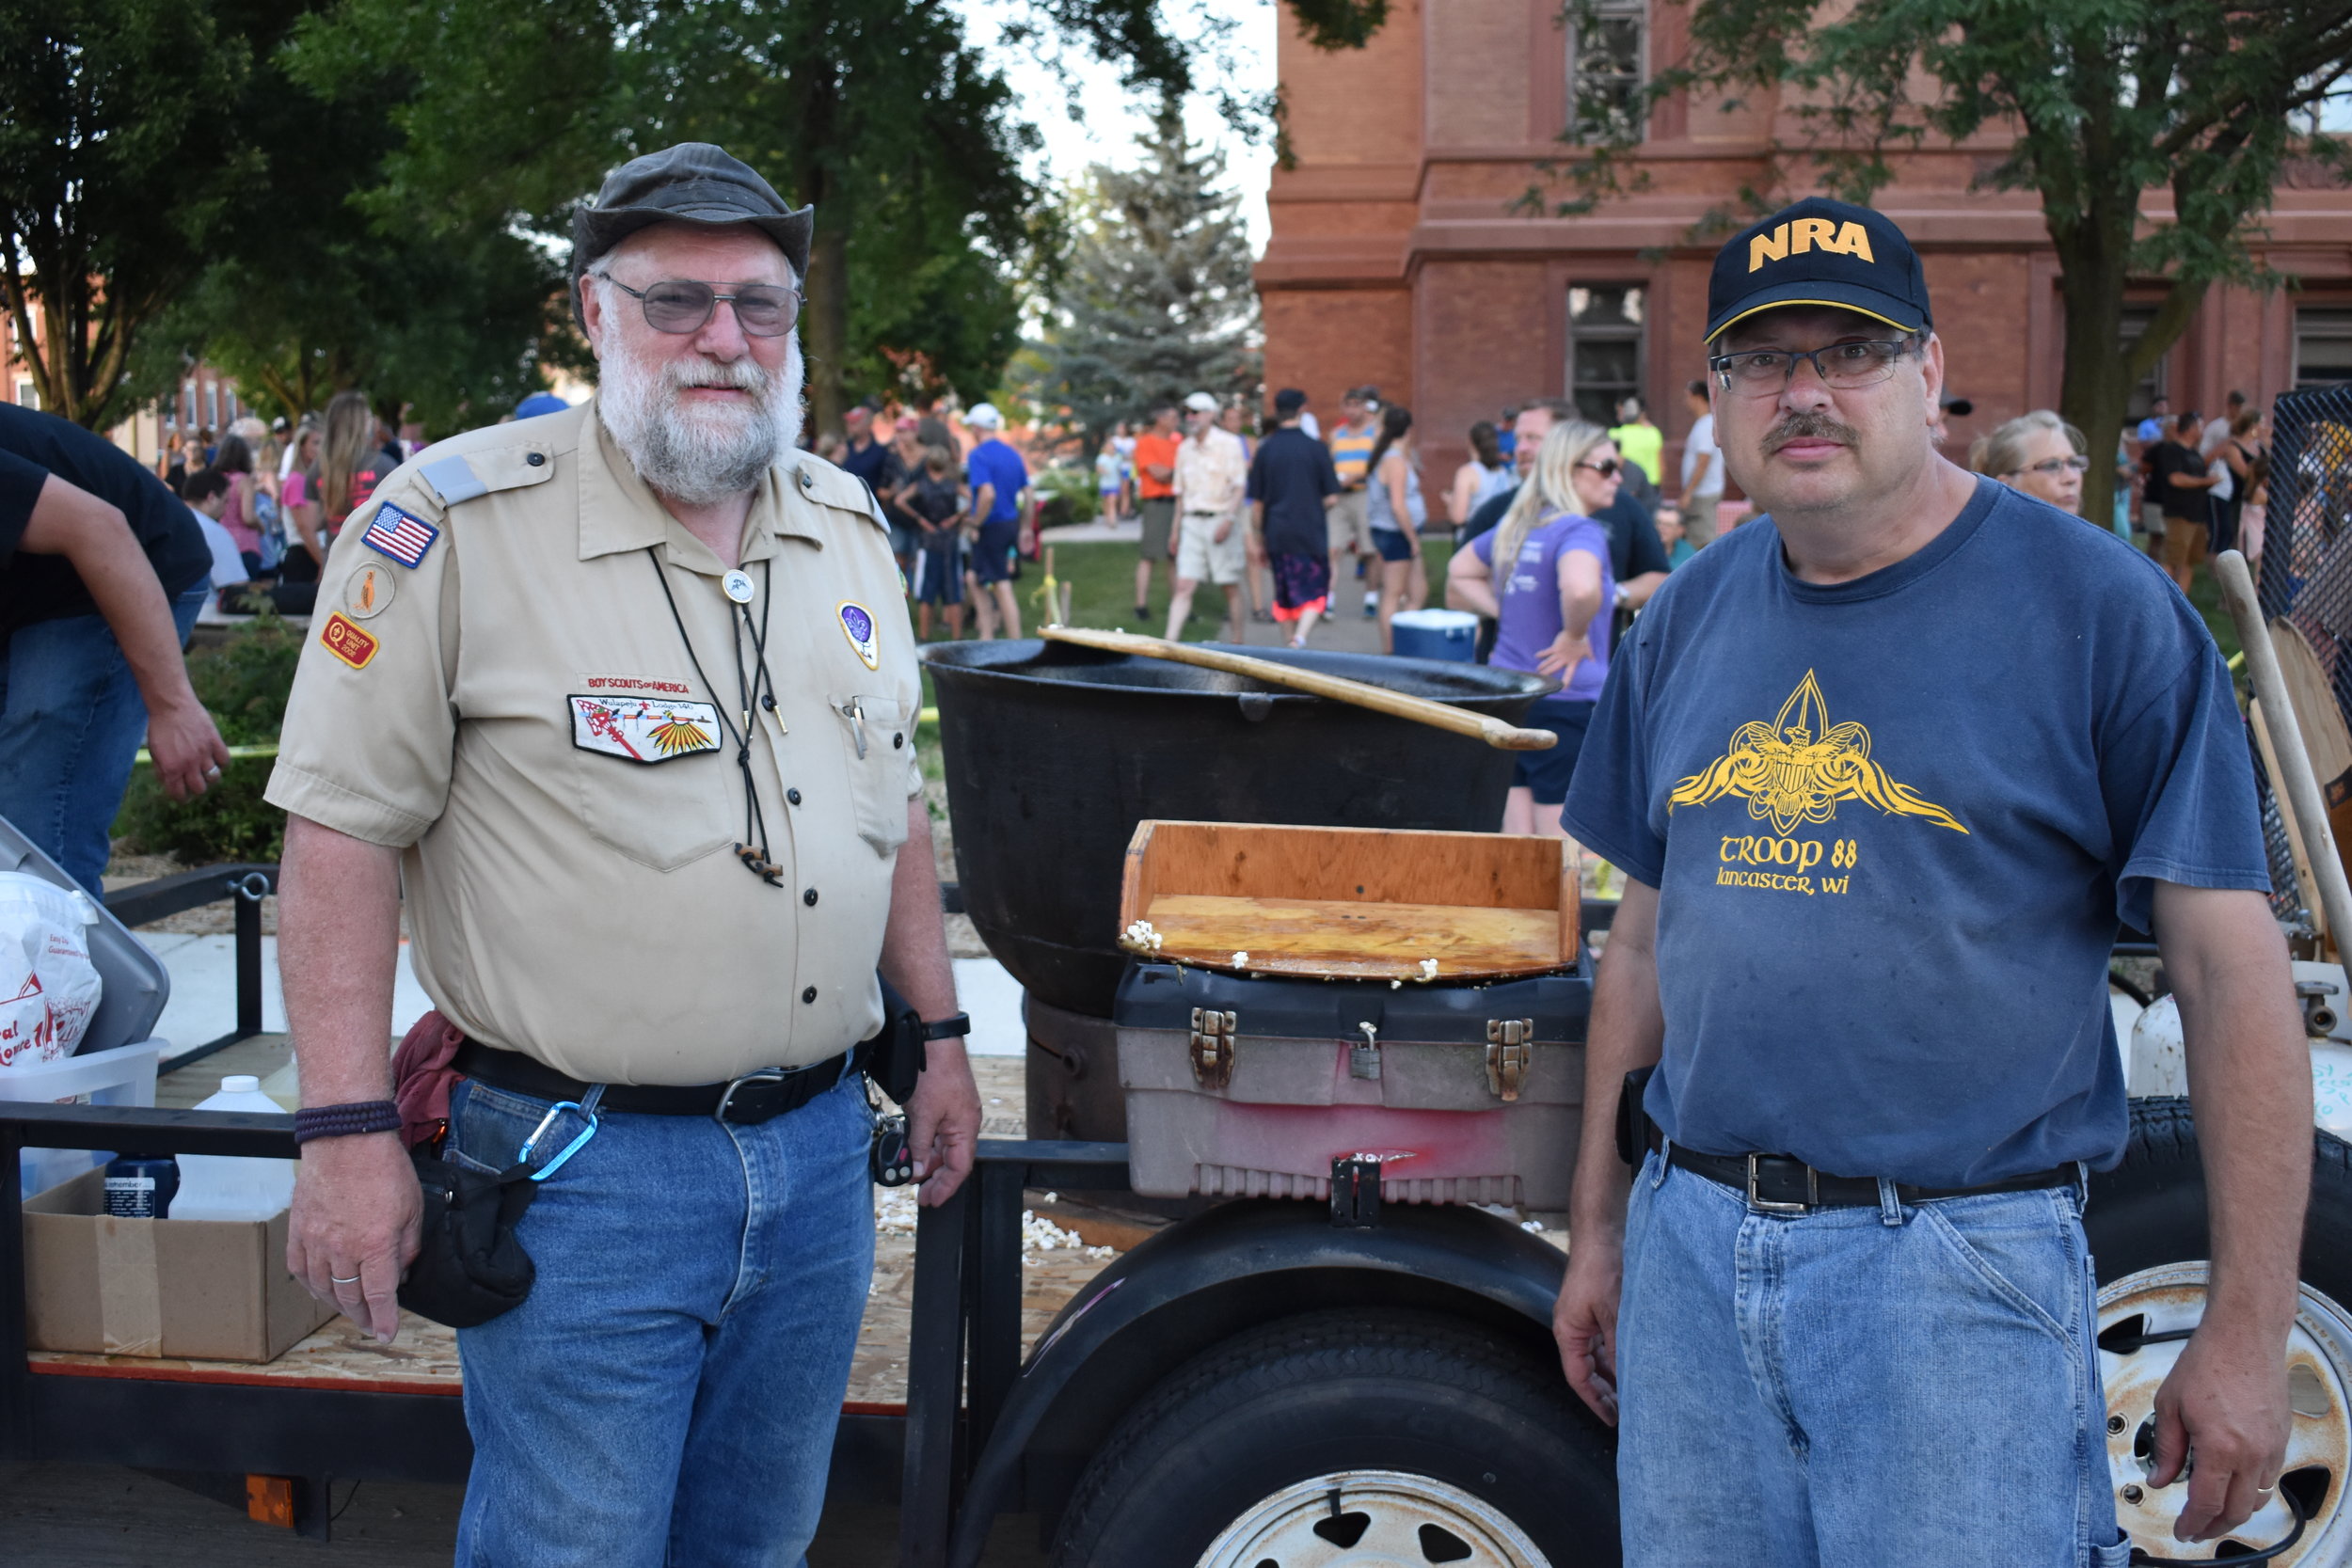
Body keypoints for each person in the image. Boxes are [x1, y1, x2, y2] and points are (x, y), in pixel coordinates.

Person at [1551, 196, 2304, 1566]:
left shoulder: (2100, 611)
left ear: (1930, 369)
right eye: (1762, 360)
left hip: (1954, 1274)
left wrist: (2250, 1325)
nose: (1805, 392)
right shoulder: (1689, 620)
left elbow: (2225, 966)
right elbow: (1645, 949)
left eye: (1852, 349)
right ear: (1716, 396)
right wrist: (1598, 1233)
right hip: (1690, 1252)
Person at [265, 141, 979, 1568]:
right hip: (578, 1167)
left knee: (757, 1542)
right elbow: (339, 829)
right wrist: (344, 1134)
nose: (723, 337)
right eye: (677, 300)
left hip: (823, 1154)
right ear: (591, 313)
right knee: (570, 1547)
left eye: (758, 305)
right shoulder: (450, 526)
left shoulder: (846, 529)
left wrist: (945, 1033)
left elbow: (891, 802)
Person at [0, 404, 230, 895]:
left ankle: (62, 960)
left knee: (33, 838)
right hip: (33, 594)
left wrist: (171, 704)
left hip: (126, 565)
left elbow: (98, 528)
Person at [1446, 420, 1615, 835]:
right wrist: (1574, 635)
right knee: (1563, 849)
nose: (1618, 478)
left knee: (1518, 840)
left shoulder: (1522, 528)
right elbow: (1579, 588)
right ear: (1572, 469)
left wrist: (1507, 608)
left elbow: (1459, 570)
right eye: (1608, 467)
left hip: (1512, 695)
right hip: (1567, 698)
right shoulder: (1580, 530)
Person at [1467, 400, 1669, 614]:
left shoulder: (1619, 506)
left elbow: (1659, 578)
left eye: (1533, 438)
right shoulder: (1499, 511)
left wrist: (1611, 594)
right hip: (1514, 647)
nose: (1520, 448)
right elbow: (1457, 586)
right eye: (1518, 439)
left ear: (1568, 444)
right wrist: (1515, 612)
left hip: (1592, 646)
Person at [1247, 388, 1342, 647]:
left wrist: (1258, 539)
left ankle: (1289, 645)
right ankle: (1300, 637)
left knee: (1284, 591)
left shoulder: (1266, 450)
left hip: (1277, 530)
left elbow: (1258, 504)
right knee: (1315, 587)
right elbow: (1332, 496)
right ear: (1302, 409)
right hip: (1310, 529)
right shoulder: (1317, 448)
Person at [1167, 390, 1250, 643]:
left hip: (1220, 520)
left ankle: (1237, 641)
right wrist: (1175, 530)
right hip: (1192, 522)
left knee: (1229, 584)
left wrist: (1229, 519)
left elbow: (1239, 485)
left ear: (1210, 414)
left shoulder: (1229, 444)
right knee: (1184, 586)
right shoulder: (1184, 448)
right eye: (1187, 412)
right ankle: (1168, 644)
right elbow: (1180, 494)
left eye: (1195, 412)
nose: (1190, 417)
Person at [1363, 404, 1428, 652]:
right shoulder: (1394, 461)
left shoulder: (1398, 456)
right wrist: (1411, 538)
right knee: (1393, 592)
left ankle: (1404, 642)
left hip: (1400, 532)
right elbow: (1398, 505)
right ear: (1409, 429)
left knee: (1418, 591)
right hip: (1396, 532)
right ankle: (1391, 651)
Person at [962, 402, 1027, 641]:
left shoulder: (978, 455)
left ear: (977, 428)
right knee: (973, 577)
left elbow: (987, 494)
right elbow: (1028, 493)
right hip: (1009, 523)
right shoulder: (1012, 453)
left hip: (992, 526)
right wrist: (1027, 526)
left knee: (1001, 584)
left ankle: (1015, 643)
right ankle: (986, 636)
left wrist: (976, 523)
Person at [896, 442, 968, 641]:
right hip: (949, 539)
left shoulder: (921, 485)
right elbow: (974, 498)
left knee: (926, 591)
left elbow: (899, 500)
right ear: (946, 465)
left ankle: (924, 636)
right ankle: (957, 636)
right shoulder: (953, 485)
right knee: (953, 588)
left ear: (927, 465)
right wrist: (956, 518)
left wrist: (920, 519)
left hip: (928, 540)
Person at [2151, 410, 2220, 591]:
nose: (2202, 431)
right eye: (2200, 426)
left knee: (2189, 562)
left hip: (2198, 515)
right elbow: (2175, 478)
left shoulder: (2195, 454)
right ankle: (2162, 598)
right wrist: (2205, 481)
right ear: (2191, 428)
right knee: (2173, 560)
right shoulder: (2171, 450)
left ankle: (2183, 605)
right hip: (2179, 515)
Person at [1972, 409, 2090, 515]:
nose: (2071, 478)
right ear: (2007, 485)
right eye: (2051, 466)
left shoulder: (2093, 537)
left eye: (2074, 463)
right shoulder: (1989, 538)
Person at [1326, 388, 1380, 606]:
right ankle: (1327, 598)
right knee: (1333, 548)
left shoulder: (1374, 432)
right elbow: (1329, 464)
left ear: (1364, 407)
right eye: (1348, 405)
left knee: (1369, 549)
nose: (1352, 410)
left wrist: (1355, 475)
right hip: (1340, 497)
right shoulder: (1336, 434)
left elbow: (1377, 464)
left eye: (1357, 405)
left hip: (1364, 494)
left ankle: (1371, 596)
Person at [320, 389, 394, 541]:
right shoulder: (383, 464)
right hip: (372, 556)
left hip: (334, 557)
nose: (373, 421)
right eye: (368, 417)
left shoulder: (318, 466)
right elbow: (396, 517)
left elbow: (310, 524)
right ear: (359, 424)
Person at [1132, 404, 1181, 620]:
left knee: (1175, 557)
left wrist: (1173, 473)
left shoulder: (1176, 443)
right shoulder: (1145, 443)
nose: (1176, 421)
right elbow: (1156, 472)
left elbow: (1170, 473)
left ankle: (1179, 604)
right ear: (1160, 419)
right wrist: (1178, 473)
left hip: (1176, 504)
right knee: (1149, 556)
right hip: (1157, 504)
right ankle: (1140, 605)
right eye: (1172, 417)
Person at [1677, 380, 1724, 547]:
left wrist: (1688, 493)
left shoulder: (1706, 425)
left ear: (1697, 397)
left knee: (1701, 542)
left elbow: (1703, 462)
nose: (1685, 402)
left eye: (1687, 397)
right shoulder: (1703, 424)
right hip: (1701, 492)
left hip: (1702, 494)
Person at [1447, 420, 1514, 533]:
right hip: (1499, 535)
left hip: (1474, 539)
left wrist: (1450, 501)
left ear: (1470, 441)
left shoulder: (1467, 472)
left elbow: (1458, 518)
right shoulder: (1502, 472)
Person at [1609, 395, 1664, 490]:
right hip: (1651, 485)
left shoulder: (1614, 435)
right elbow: (1662, 466)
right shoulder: (1653, 433)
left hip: (1625, 484)